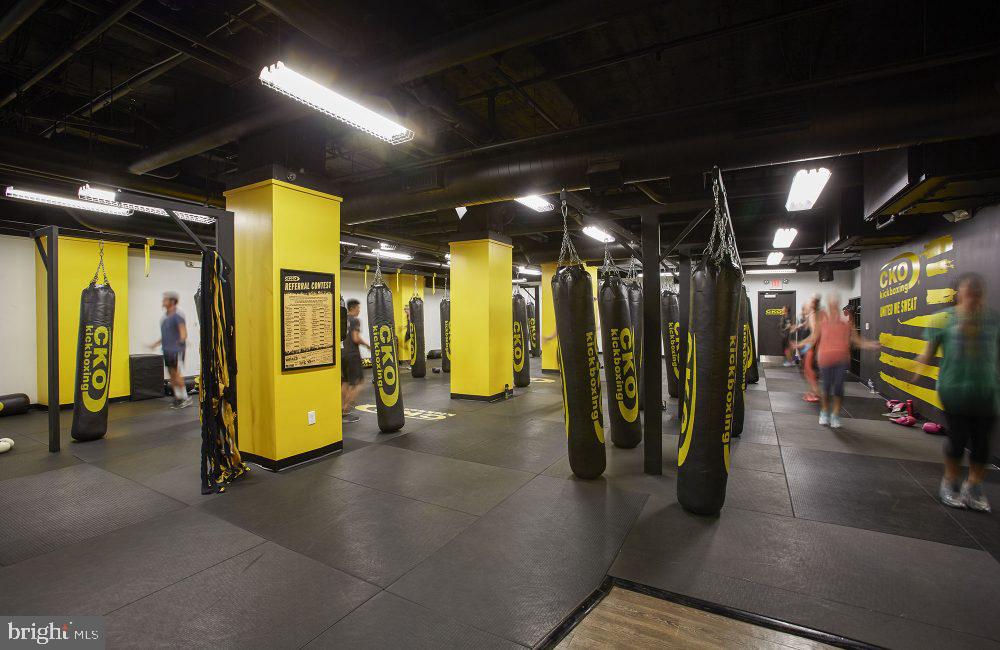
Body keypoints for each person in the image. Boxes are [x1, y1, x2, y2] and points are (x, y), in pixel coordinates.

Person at [914, 273, 999, 512]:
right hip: (954, 390)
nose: (972, 297)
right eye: (968, 293)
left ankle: (974, 486)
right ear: (960, 295)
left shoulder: (993, 320)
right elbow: (929, 351)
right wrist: (919, 366)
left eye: (977, 293)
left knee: (982, 445)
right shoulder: (943, 320)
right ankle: (949, 483)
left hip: (987, 391)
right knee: (958, 440)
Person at [802, 292, 877, 428]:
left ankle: (835, 415)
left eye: (836, 305)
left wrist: (871, 344)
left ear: (838, 306)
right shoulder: (822, 323)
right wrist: (800, 344)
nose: (834, 308)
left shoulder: (846, 324)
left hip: (841, 359)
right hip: (825, 359)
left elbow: (857, 341)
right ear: (829, 308)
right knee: (826, 387)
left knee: (838, 388)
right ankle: (824, 412)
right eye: (831, 305)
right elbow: (813, 338)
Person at [151, 291, 191, 409]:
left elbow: (183, 333)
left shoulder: (177, 316)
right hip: (167, 349)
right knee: (171, 373)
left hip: (174, 350)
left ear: (172, 301)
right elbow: (165, 336)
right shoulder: (164, 318)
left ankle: (185, 397)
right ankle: (178, 397)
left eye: (166, 299)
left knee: (175, 372)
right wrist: (155, 344)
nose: (163, 301)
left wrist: (181, 341)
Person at [341, 299, 370, 423]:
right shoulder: (355, 320)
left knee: (345, 382)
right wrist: (368, 345)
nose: (359, 310)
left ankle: (340, 408)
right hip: (353, 355)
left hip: (342, 353)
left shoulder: (343, 319)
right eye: (358, 308)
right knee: (359, 382)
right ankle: (345, 409)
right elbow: (356, 338)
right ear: (352, 308)